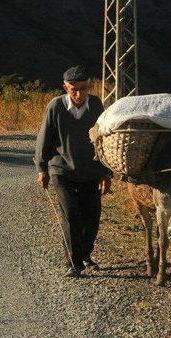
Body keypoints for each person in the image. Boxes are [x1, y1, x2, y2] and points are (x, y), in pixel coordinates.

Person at [35, 65, 112, 277]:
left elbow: (105, 141)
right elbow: (44, 139)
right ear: (65, 87)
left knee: (92, 215)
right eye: (73, 90)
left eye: (83, 89)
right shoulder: (56, 106)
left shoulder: (97, 106)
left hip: (90, 170)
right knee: (71, 215)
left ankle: (85, 255)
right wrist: (42, 169)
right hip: (62, 170)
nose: (78, 94)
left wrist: (106, 173)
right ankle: (72, 263)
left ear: (89, 86)